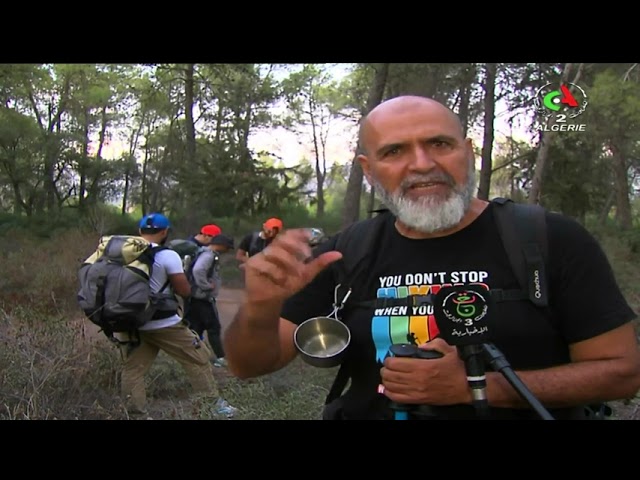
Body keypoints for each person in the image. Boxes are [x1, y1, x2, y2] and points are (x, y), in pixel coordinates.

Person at [223, 95, 640, 420]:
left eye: (439, 143)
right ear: (368, 171)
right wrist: (260, 307)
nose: (422, 165)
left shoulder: (550, 238)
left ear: (468, 152)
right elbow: (248, 366)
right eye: (395, 152)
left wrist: (475, 387)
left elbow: (622, 371)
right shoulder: (346, 250)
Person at [117, 213, 236, 418]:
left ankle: (135, 414)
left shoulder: (121, 253)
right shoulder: (167, 255)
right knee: (199, 359)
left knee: (133, 370)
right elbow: (184, 290)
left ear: (140, 232)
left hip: (132, 320)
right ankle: (213, 407)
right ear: (164, 232)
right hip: (163, 322)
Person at [185, 233, 236, 368]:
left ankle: (193, 357)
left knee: (196, 328)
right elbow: (198, 270)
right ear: (221, 245)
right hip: (202, 297)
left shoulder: (203, 253)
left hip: (195, 297)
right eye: (227, 247)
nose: (227, 251)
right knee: (213, 327)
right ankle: (220, 358)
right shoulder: (208, 255)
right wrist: (206, 285)